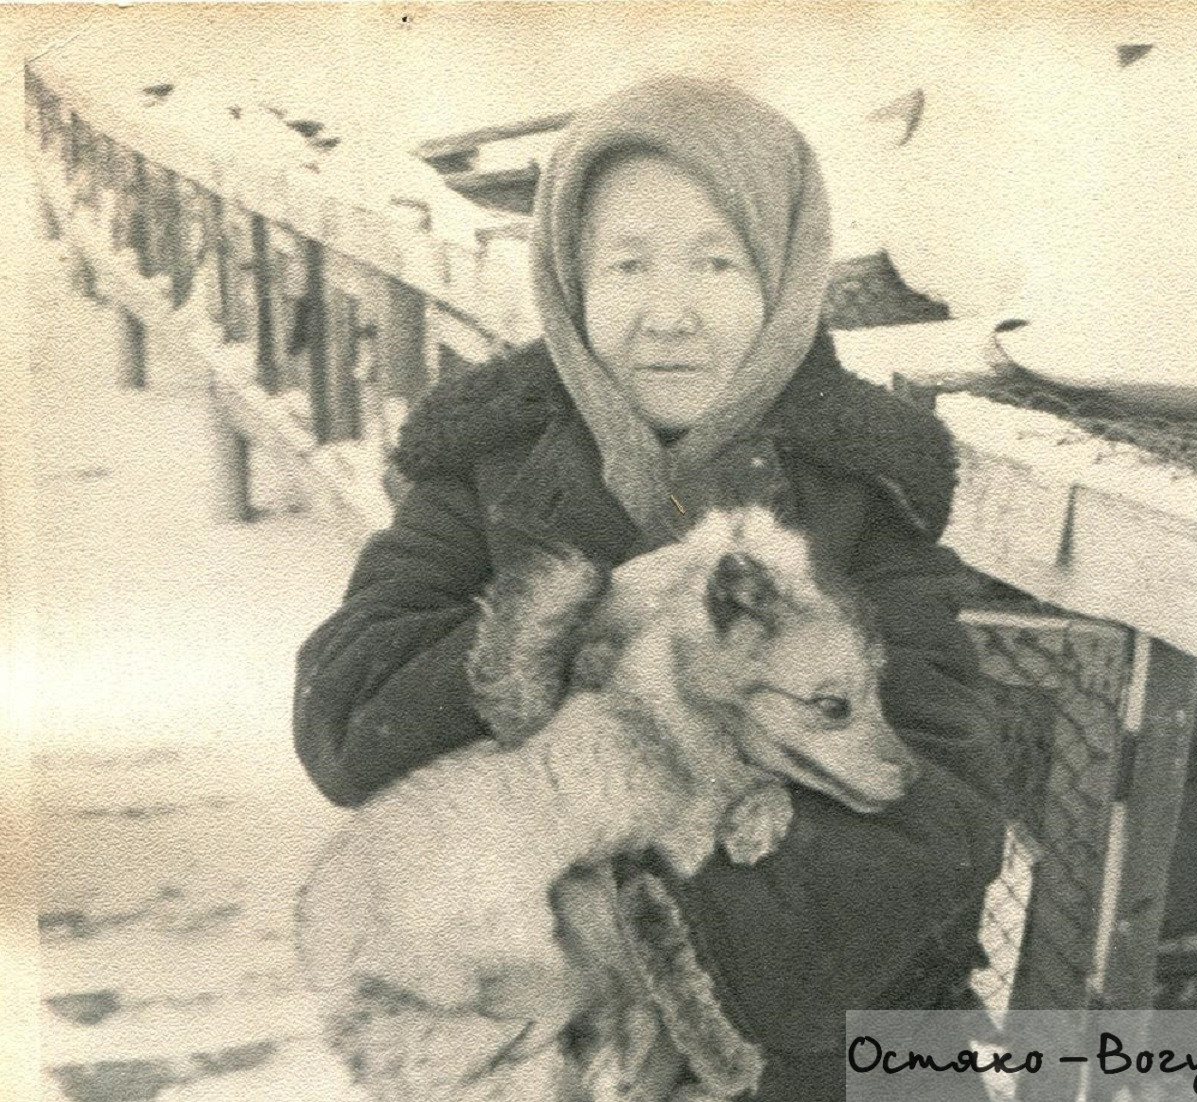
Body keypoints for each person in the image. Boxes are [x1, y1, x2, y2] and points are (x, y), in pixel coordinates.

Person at [294, 75, 1005, 1101]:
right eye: (627, 265)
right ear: (569, 278)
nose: (669, 315)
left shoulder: (862, 492)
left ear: (785, 277)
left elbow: (940, 809)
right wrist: (579, 611)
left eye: (717, 263)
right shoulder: (484, 468)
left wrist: (620, 946)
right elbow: (347, 722)